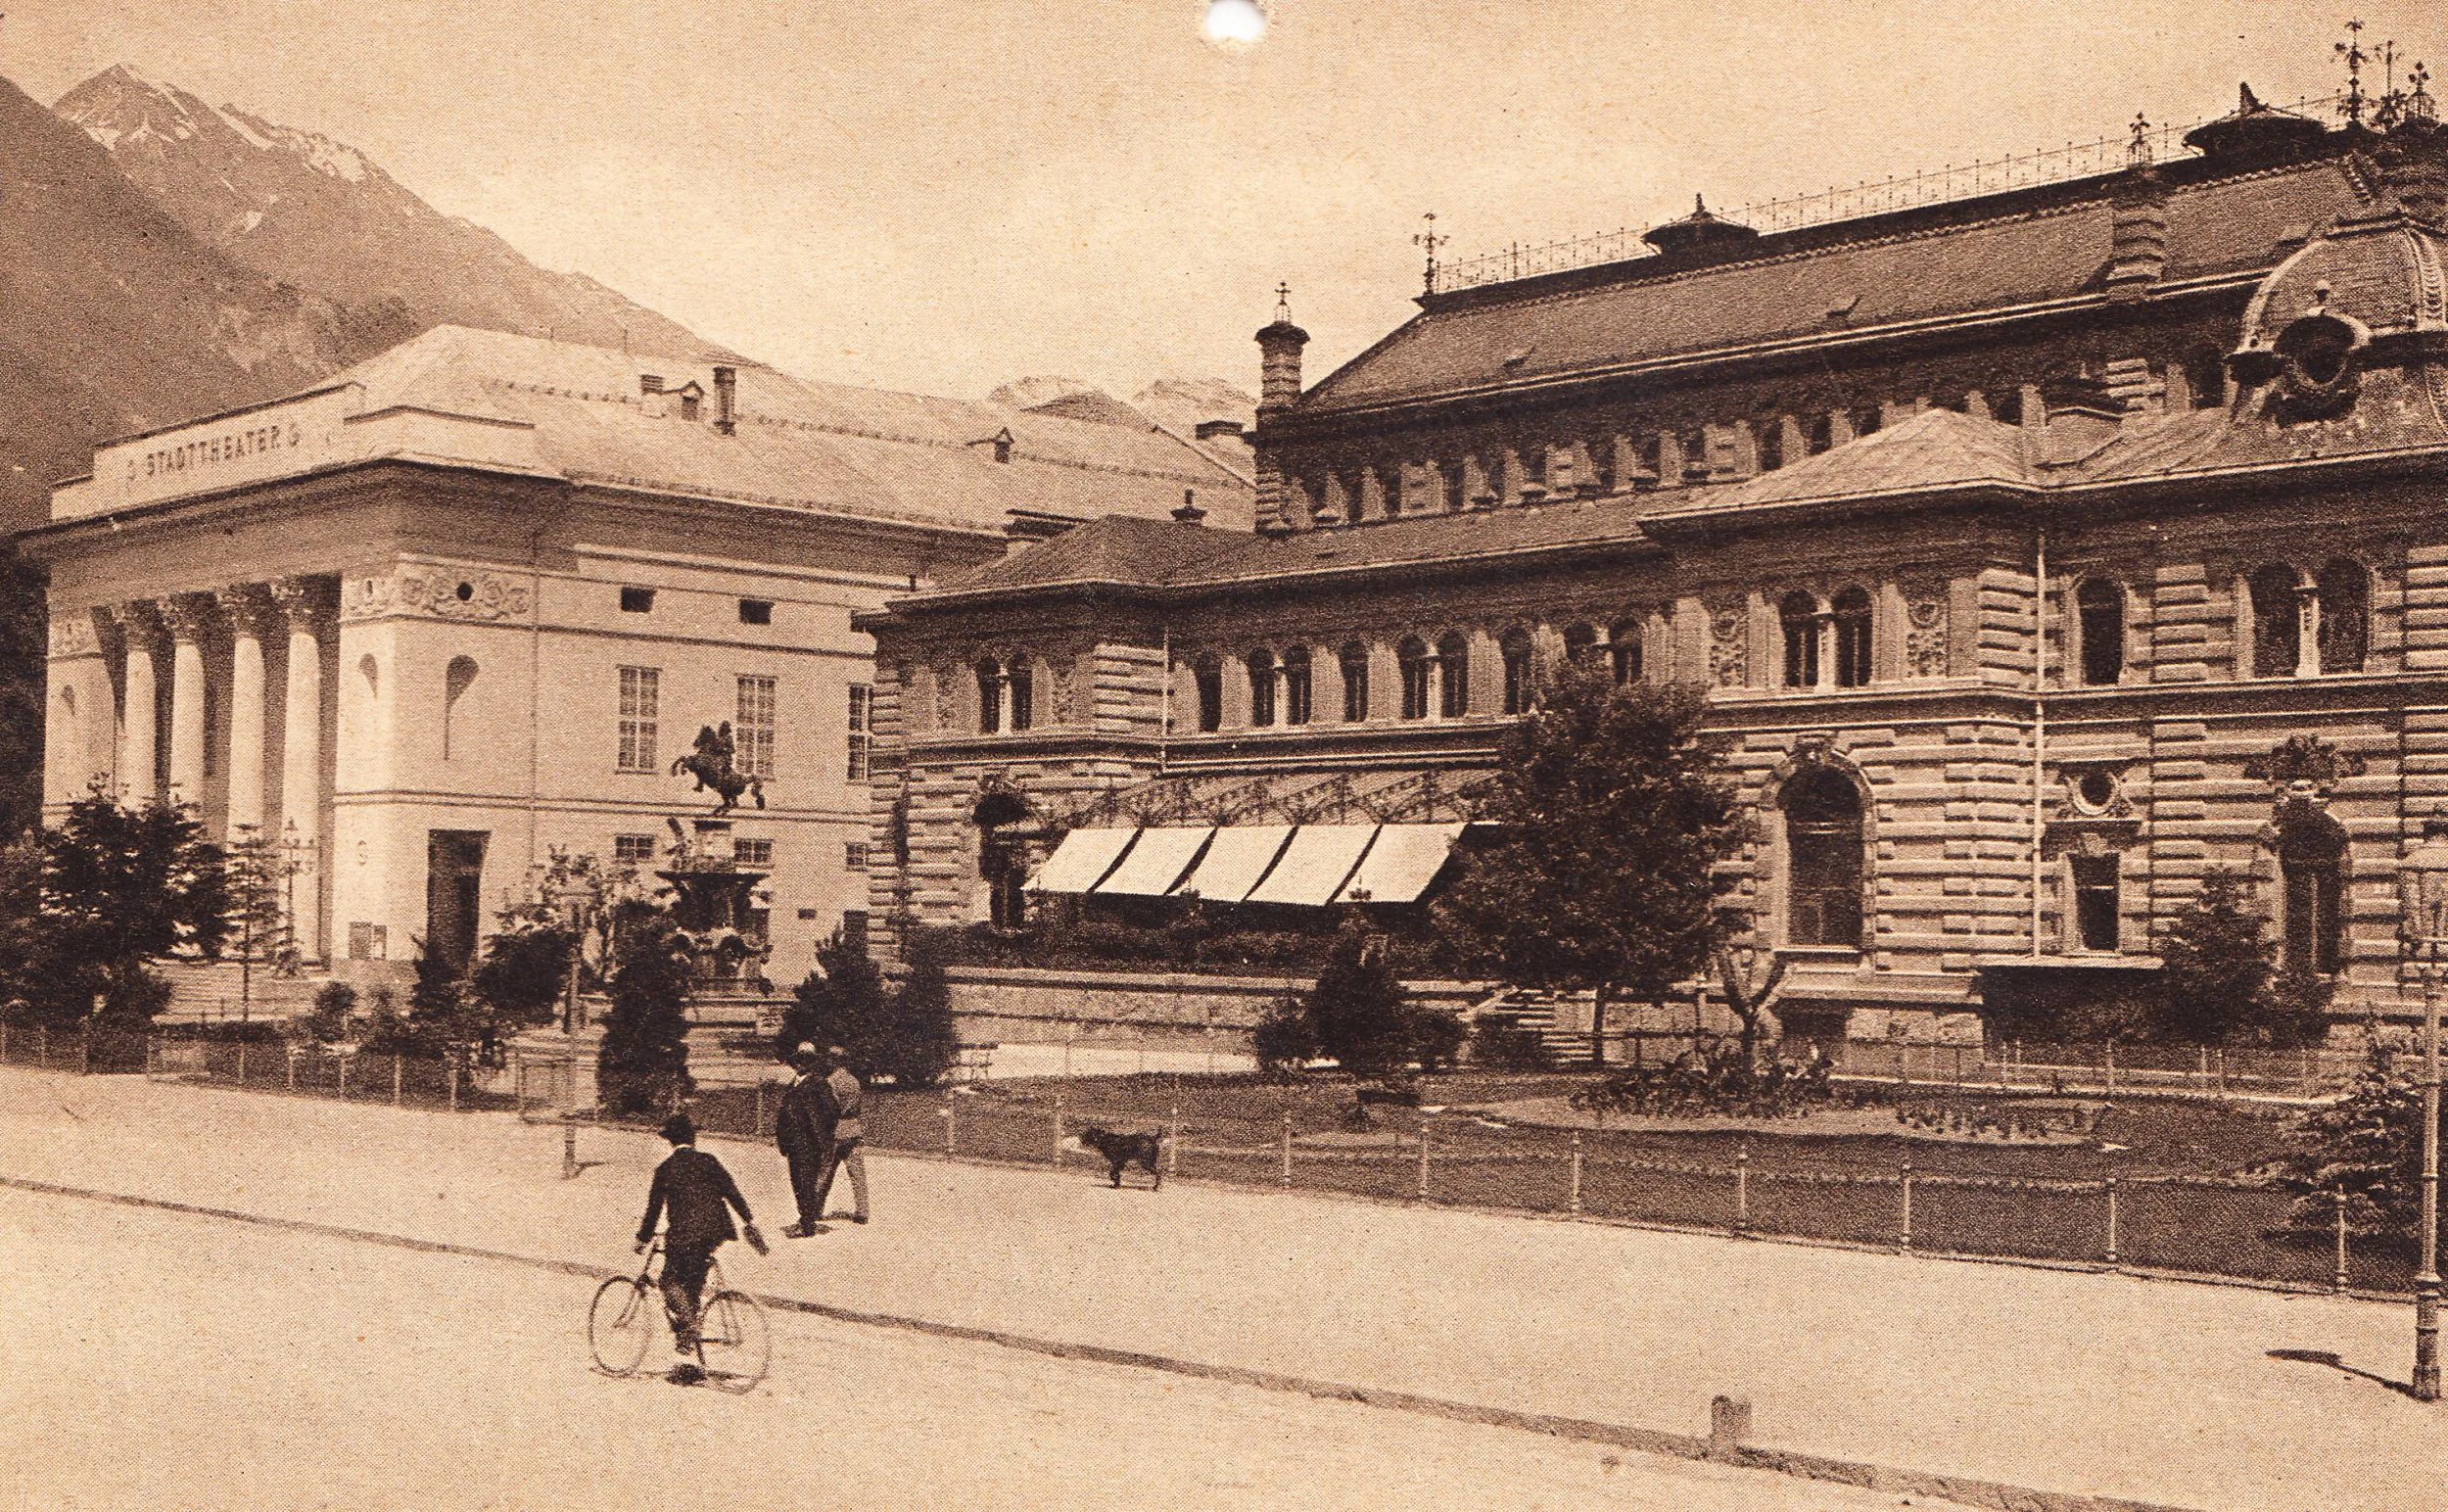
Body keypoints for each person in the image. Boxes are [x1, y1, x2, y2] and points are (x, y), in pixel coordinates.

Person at [636, 1113, 763, 1377]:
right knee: (691, 1289)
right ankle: (686, 1354)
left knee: (668, 1282)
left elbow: (653, 1211)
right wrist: (749, 1221)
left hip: (685, 1235)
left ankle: (691, 1327)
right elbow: (733, 1192)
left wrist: (642, 1238)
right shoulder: (709, 1161)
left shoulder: (665, 1169)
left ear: (670, 1141)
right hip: (715, 1232)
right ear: (693, 1138)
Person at [775, 1042, 832, 1237]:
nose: (801, 1064)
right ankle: (805, 1218)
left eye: (806, 1060)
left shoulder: (819, 1084)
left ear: (812, 1062)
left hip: (809, 1141)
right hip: (793, 1142)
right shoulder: (793, 1083)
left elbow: (832, 1110)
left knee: (806, 1182)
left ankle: (807, 1223)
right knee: (798, 1183)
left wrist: (818, 1127)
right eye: (798, 1060)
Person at [812, 1045, 870, 1224]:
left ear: (834, 1060)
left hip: (835, 1131)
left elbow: (828, 1109)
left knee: (824, 1172)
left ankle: (814, 1210)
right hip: (853, 1129)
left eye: (830, 1058)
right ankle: (862, 1212)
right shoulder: (854, 1081)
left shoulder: (830, 1082)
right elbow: (858, 1107)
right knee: (857, 1173)